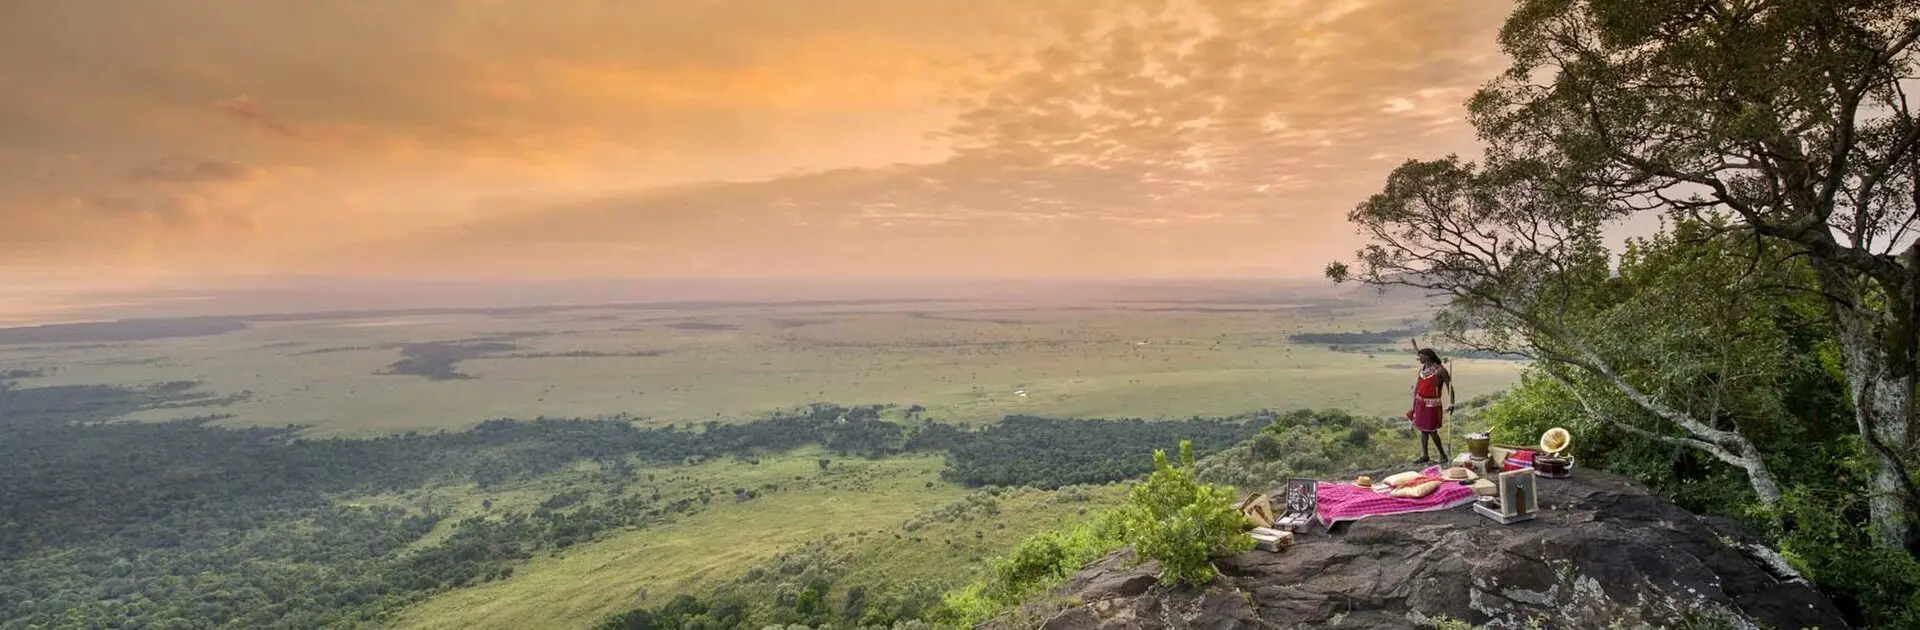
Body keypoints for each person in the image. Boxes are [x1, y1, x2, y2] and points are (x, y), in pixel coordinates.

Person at [1407, 348, 1455, 464]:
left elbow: (1450, 388)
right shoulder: (1422, 370)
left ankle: (1443, 456)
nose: (1419, 359)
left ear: (1427, 357)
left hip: (1432, 404)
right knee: (1423, 430)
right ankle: (1425, 455)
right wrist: (1414, 405)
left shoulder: (1440, 370)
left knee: (1432, 430)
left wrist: (1452, 403)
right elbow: (1417, 388)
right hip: (1420, 403)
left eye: (1420, 357)